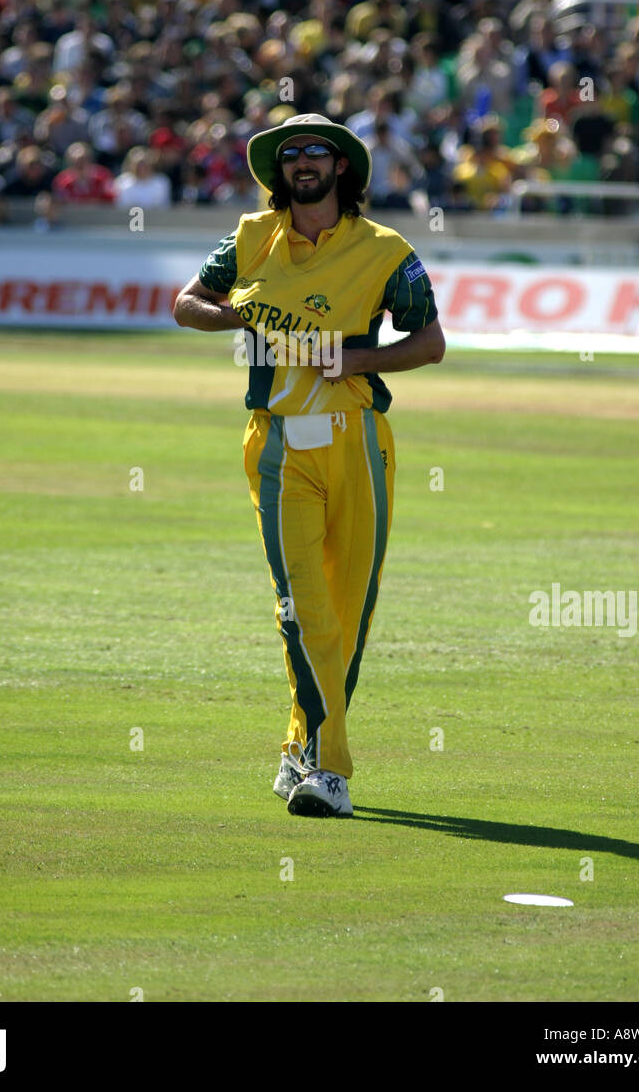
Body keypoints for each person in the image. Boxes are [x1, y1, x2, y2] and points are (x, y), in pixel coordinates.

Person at [172, 113, 445, 817]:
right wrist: (240, 316)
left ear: (341, 168)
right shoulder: (250, 236)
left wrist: (360, 358)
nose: (302, 162)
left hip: (358, 441)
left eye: (316, 152)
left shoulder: (386, 250)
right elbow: (186, 303)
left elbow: (431, 342)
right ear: (278, 171)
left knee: (347, 613)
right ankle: (331, 770)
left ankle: (300, 748)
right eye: (290, 154)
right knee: (302, 611)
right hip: (276, 446)